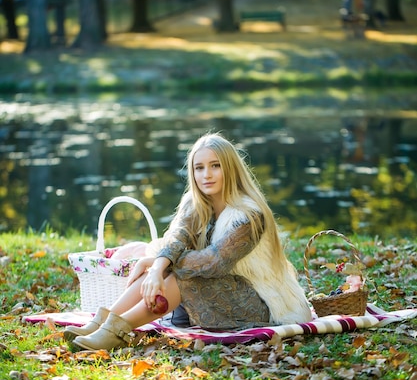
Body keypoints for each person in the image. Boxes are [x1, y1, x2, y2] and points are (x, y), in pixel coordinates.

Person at [65, 132, 312, 351]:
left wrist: (164, 264)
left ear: (231, 168)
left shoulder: (248, 215)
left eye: (215, 166)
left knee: (182, 276)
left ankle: (118, 332)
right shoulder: (195, 204)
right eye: (199, 168)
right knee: (161, 271)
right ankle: (102, 323)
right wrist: (157, 267)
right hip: (220, 290)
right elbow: (177, 237)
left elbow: (214, 262)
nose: (206, 175)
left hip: (262, 303)